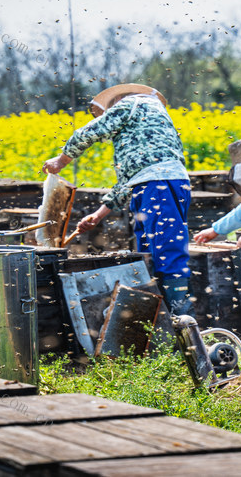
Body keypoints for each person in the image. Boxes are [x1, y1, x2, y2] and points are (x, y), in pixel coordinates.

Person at [43, 83, 195, 316]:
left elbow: (92, 130)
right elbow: (127, 182)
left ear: (117, 101)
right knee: (149, 253)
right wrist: (97, 216)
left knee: (167, 253)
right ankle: (159, 320)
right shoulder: (145, 125)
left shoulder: (132, 102)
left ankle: (181, 321)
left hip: (158, 186)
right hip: (153, 185)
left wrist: (61, 160)